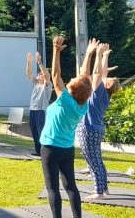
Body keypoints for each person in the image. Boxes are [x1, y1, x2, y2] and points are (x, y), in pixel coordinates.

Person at [39, 36, 95, 218]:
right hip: (67, 149)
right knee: (70, 186)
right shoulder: (82, 105)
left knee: (52, 188)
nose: (71, 78)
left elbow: (56, 76)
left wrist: (56, 50)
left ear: (73, 89)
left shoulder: (65, 101)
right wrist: (89, 54)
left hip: (50, 149)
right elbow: (85, 79)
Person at [76, 42, 120, 199]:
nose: (105, 77)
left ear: (107, 84)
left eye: (108, 79)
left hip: (88, 129)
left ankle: (98, 192)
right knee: (98, 160)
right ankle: (104, 187)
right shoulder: (105, 95)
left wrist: (100, 55)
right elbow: (101, 74)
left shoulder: (99, 90)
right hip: (97, 129)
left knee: (92, 161)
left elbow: (97, 73)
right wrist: (105, 56)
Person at [26, 51, 52, 156]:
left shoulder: (47, 86)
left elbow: (46, 74)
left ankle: (44, 152)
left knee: (41, 132)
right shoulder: (36, 83)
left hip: (41, 111)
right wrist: (28, 61)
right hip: (33, 110)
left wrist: (39, 62)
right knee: (34, 132)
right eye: (39, 73)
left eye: (40, 74)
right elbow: (28, 73)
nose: (39, 74)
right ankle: (38, 151)